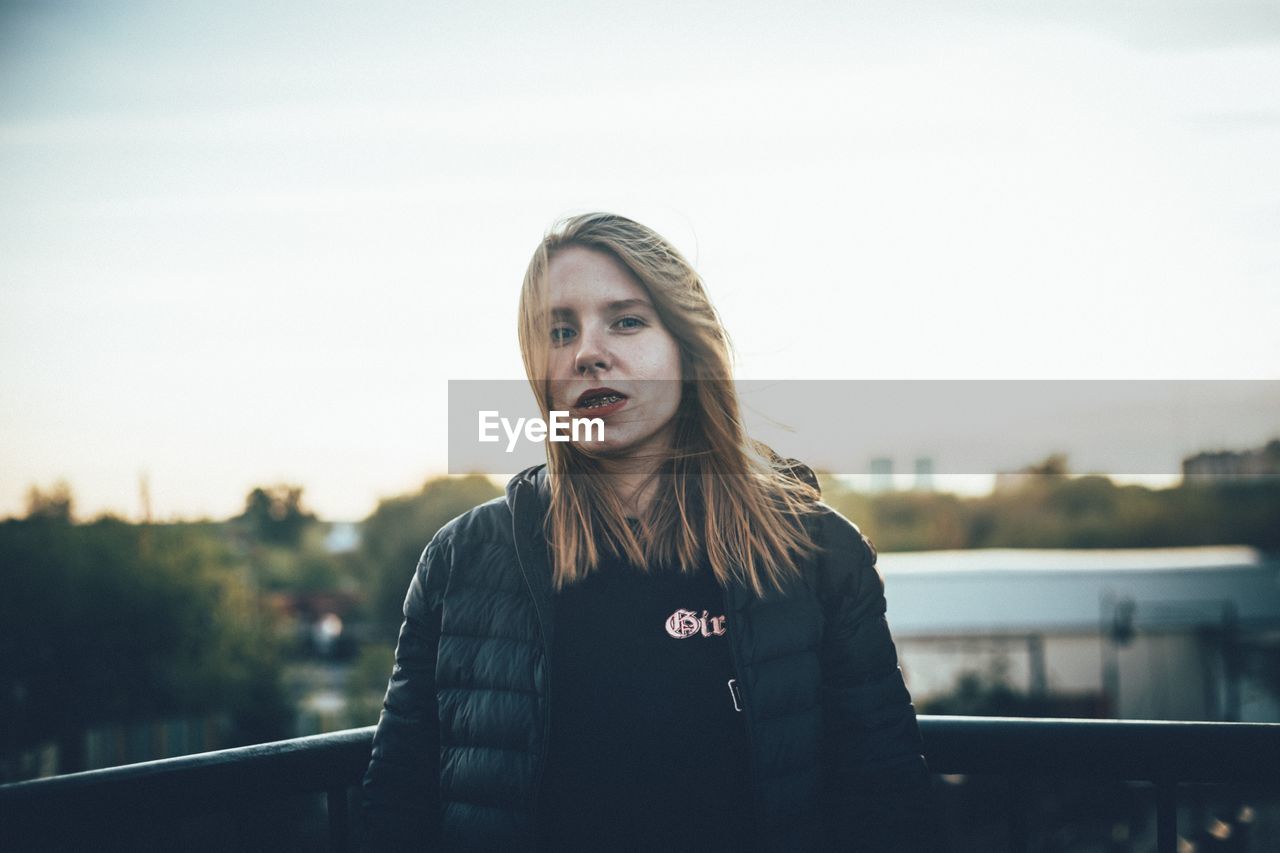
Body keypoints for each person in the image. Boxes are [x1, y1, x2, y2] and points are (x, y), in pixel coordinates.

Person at [360, 212, 941, 852]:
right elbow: (396, 802)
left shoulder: (820, 555)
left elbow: (887, 799)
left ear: (687, 348)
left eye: (627, 321)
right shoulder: (461, 560)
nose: (587, 352)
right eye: (560, 331)